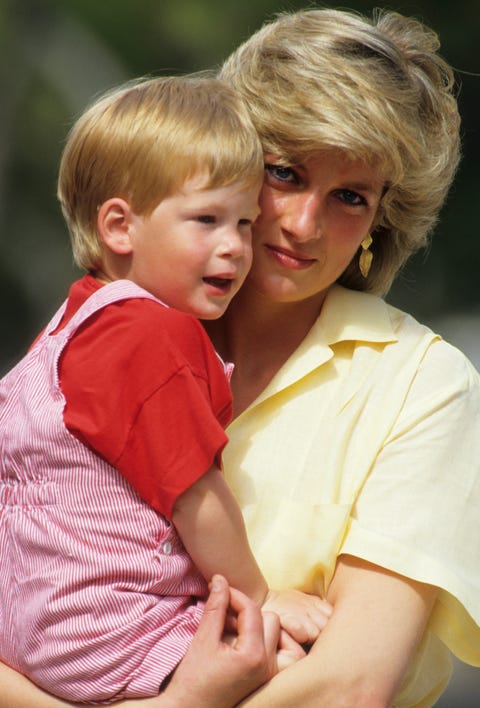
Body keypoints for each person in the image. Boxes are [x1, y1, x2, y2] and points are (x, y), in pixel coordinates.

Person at [2, 5, 480, 708]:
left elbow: (348, 687)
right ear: (223, 157)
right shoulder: (111, 328)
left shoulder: (424, 382)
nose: (302, 223)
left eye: (350, 196)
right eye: (284, 173)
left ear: (383, 221)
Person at [0, 75, 328, 704]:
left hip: (30, 636)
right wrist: (262, 598)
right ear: (120, 227)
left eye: (245, 222)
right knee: (292, 665)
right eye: (207, 220)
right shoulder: (151, 333)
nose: (235, 247)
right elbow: (194, 496)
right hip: (112, 634)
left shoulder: (68, 328)